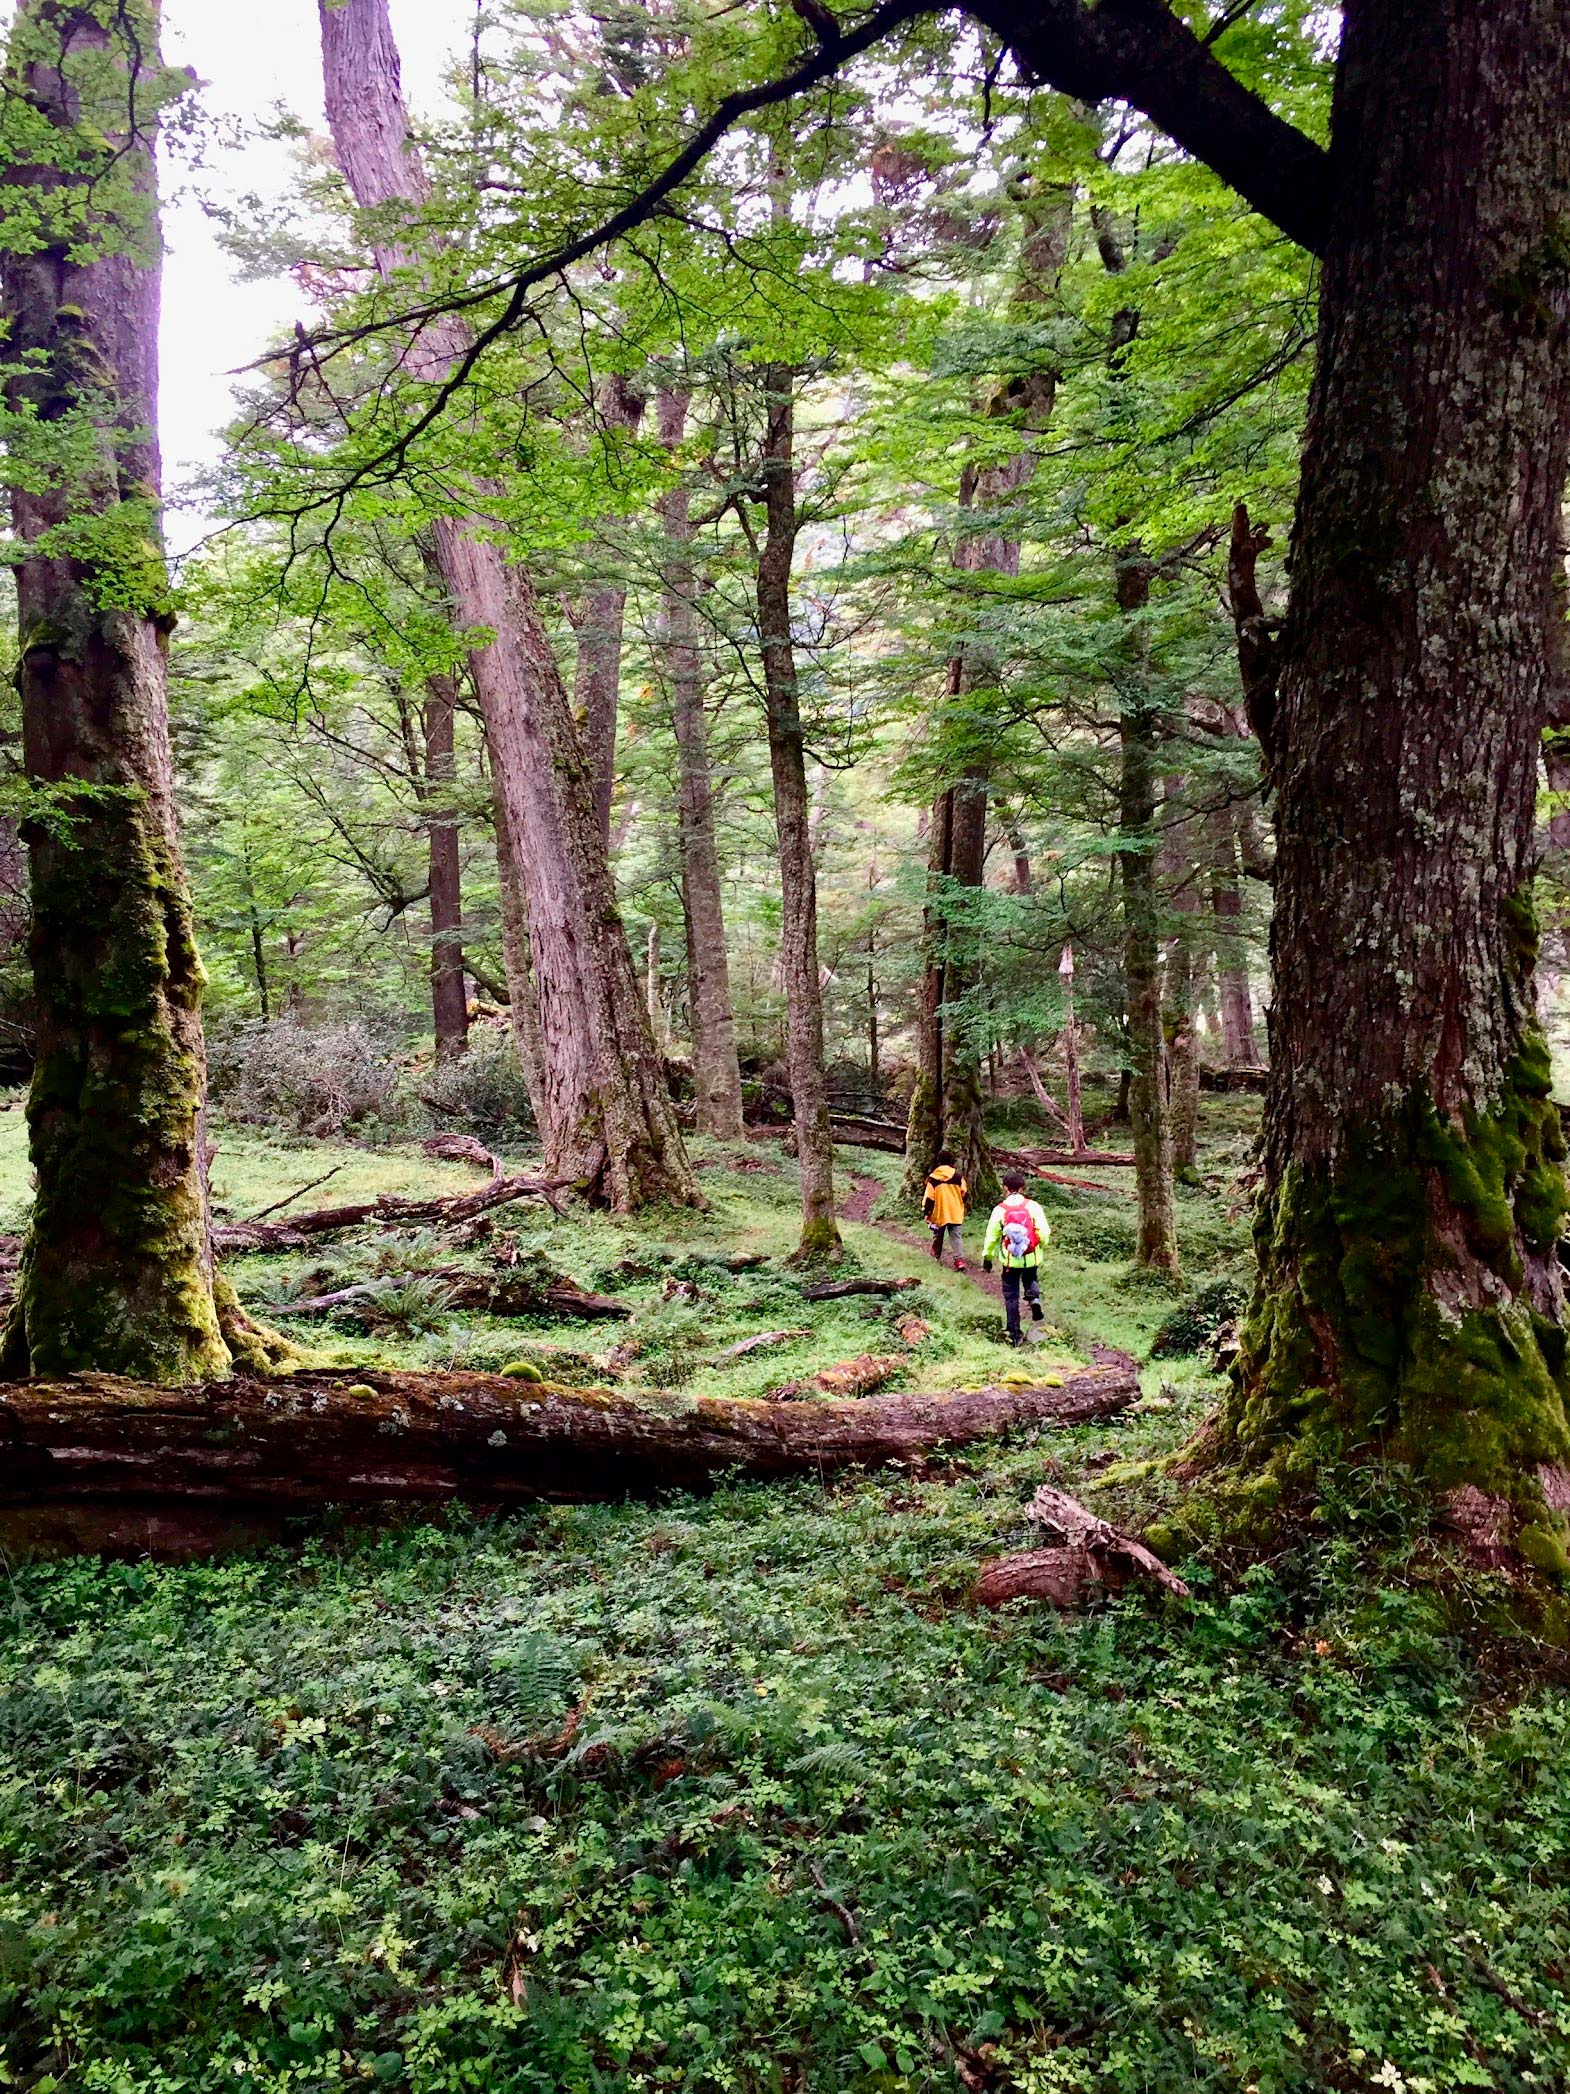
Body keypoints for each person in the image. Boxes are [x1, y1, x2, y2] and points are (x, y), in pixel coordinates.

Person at [982, 1172, 1051, 1346]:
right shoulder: (1033, 1206)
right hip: (1031, 1257)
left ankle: (1014, 1334)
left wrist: (987, 1256)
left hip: (1010, 1260)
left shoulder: (1000, 1210)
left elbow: (991, 1236)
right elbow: (1044, 1232)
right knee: (1030, 1278)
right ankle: (1034, 1298)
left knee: (1011, 1296)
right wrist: (1040, 1245)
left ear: (1005, 1188)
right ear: (1023, 1187)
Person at [922, 1148, 968, 1270]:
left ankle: (935, 1255)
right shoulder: (958, 1177)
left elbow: (929, 1198)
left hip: (940, 1212)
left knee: (938, 1234)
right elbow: (965, 1193)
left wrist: (926, 1213)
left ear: (938, 1162)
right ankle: (959, 1260)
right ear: (951, 1162)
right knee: (956, 1236)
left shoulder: (933, 1179)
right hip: (955, 1211)